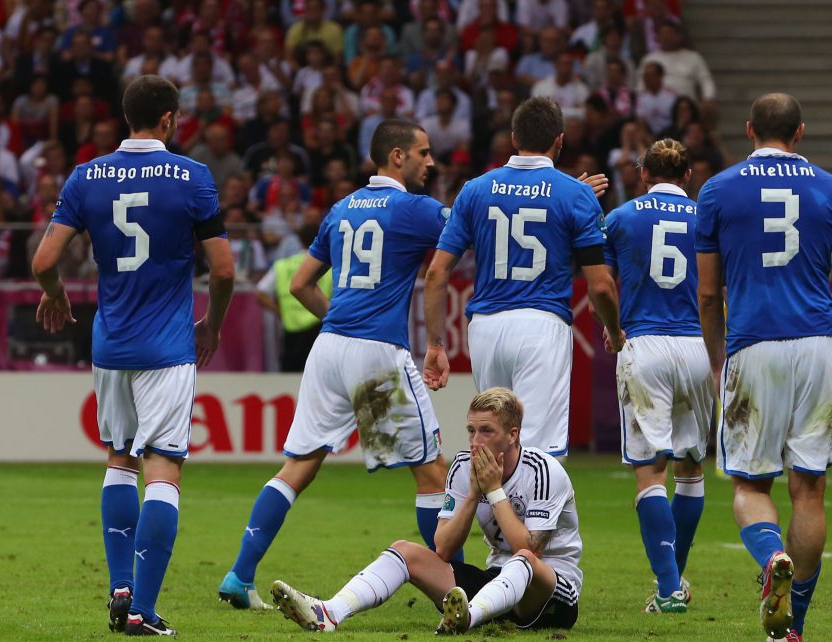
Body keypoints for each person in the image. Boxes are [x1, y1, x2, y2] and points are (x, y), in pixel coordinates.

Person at [218, 119, 460, 610]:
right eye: (423, 153)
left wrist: (343, 319)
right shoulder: (416, 210)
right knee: (432, 471)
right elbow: (472, 226)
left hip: (329, 349)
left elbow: (300, 284)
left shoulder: (342, 208)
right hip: (377, 353)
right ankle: (449, 588)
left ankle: (239, 576)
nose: (429, 162)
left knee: (299, 466)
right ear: (396, 156)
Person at [31, 75, 235, 636]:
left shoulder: (87, 177)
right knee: (163, 469)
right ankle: (141, 610)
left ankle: (119, 585)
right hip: (167, 347)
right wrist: (211, 326)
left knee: (119, 459)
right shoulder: (191, 177)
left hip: (110, 343)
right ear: (169, 119)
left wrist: (54, 293)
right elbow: (222, 270)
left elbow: (45, 260)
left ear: (126, 117)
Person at [695, 93, 832, 642]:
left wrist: (717, 357)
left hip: (754, 344)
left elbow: (706, 293)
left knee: (750, 482)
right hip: (820, 346)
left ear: (750, 130)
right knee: (810, 489)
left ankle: (772, 554)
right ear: (801, 133)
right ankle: (791, 625)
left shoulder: (718, 190)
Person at [270, 388, 583, 635]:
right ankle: (330, 612)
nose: (476, 441)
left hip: (550, 594)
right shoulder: (462, 466)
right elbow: (444, 547)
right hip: (498, 586)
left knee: (525, 559)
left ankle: (468, 616)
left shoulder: (544, 471)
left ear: (513, 435)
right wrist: (474, 494)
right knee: (405, 551)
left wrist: (495, 491)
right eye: (471, 430)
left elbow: (530, 548)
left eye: (486, 431)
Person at [422, 97, 624, 459]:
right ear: (559, 141)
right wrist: (613, 327)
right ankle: (536, 518)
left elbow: (437, 272)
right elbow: (601, 286)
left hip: (485, 328)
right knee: (538, 452)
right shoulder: (574, 195)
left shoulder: (474, 190)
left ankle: (498, 516)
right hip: (540, 326)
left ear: (514, 138)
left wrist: (435, 345)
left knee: (493, 443)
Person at [604, 138, 712, 614]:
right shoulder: (706, 217)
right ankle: (674, 579)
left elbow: (602, 285)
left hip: (643, 344)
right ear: (687, 177)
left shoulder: (621, 217)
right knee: (691, 469)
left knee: (650, 470)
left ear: (643, 175)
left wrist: (613, 331)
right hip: (695, 346)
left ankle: (668, 587)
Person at [255, 212, 334, 372]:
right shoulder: (331, 266)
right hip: (320, 327)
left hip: (291, 331)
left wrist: (280, 312)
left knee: (291, 380)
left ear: (299, 240)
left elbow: (261, 292)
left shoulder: (282, 265)